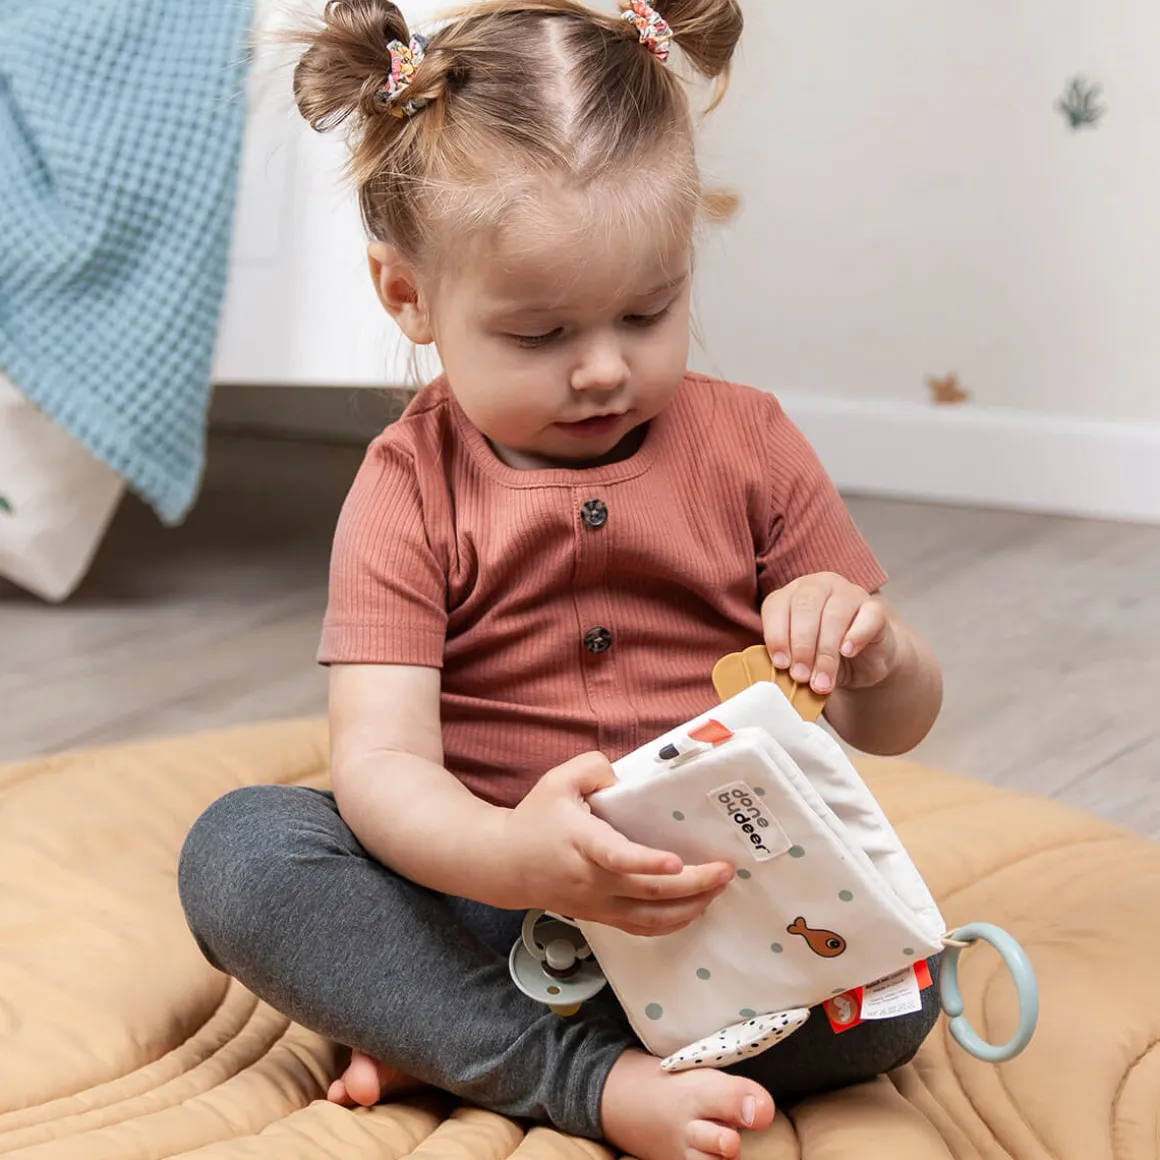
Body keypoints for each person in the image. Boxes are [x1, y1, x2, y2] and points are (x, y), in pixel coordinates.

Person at [177, 2, 944, 1157]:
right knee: (240, 851)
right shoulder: (406, 485)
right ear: (408, 295)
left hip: (715, 907)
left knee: (896, 1001)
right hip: (480, 898)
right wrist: (514, 857)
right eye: (539, 335)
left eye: (646, 312)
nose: (601, 369)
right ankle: (576, 1071)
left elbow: (894, 723)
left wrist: (874, 652)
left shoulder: (748, 445)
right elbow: (382, 766)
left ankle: (448, 1034)